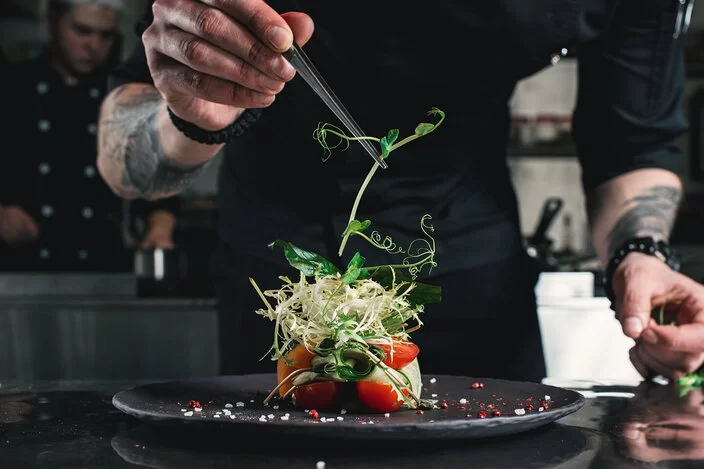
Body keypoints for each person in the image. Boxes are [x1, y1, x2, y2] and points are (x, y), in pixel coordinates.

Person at [96, 0, 704, 383]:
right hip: (280, 293)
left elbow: (633, 141)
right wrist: (190, 119)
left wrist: (640, 252)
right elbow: (125, 160)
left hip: (477, 288)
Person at [0, 0, 179, 272]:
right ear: (53, 19)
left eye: (105, 35)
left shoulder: (127, 96)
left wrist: (159, 228)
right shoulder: (12, 87)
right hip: (23, 266)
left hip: (103, 264)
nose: (93, 46)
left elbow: (158, 183)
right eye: (82, 31)